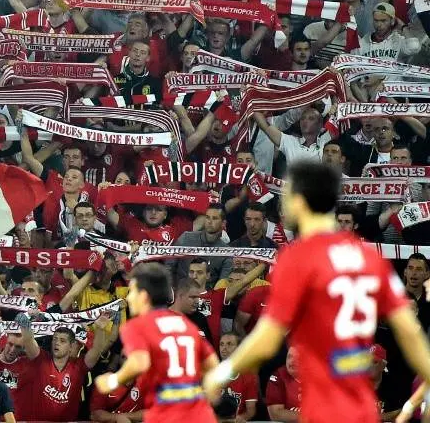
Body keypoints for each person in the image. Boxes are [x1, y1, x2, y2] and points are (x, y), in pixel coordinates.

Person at [202, 162, 430, 423]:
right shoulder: (368, 256)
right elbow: (409, 330)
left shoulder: (296, 259)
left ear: (299, 201)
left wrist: (222, 372)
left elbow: (267, 337)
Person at [94, 262, 219, 423]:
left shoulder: (200, 320)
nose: (197, 302)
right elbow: (126, 348)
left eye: (199, 298)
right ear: (179, 295)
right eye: (193, 297)